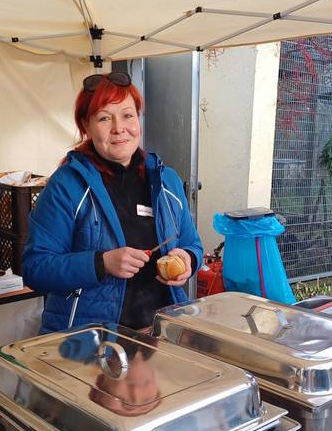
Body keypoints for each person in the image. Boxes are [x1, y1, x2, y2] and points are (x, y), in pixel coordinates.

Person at [23, 71, 203, 331]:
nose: (119, 128)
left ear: (138, 118)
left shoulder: (167, 181)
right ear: (86, 125)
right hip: (89, 341)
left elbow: (191, 243)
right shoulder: (67, 186)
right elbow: (36, 269)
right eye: (105, 118)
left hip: (160, 334)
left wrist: (188, 259)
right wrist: (101, 263)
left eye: (127, 115)